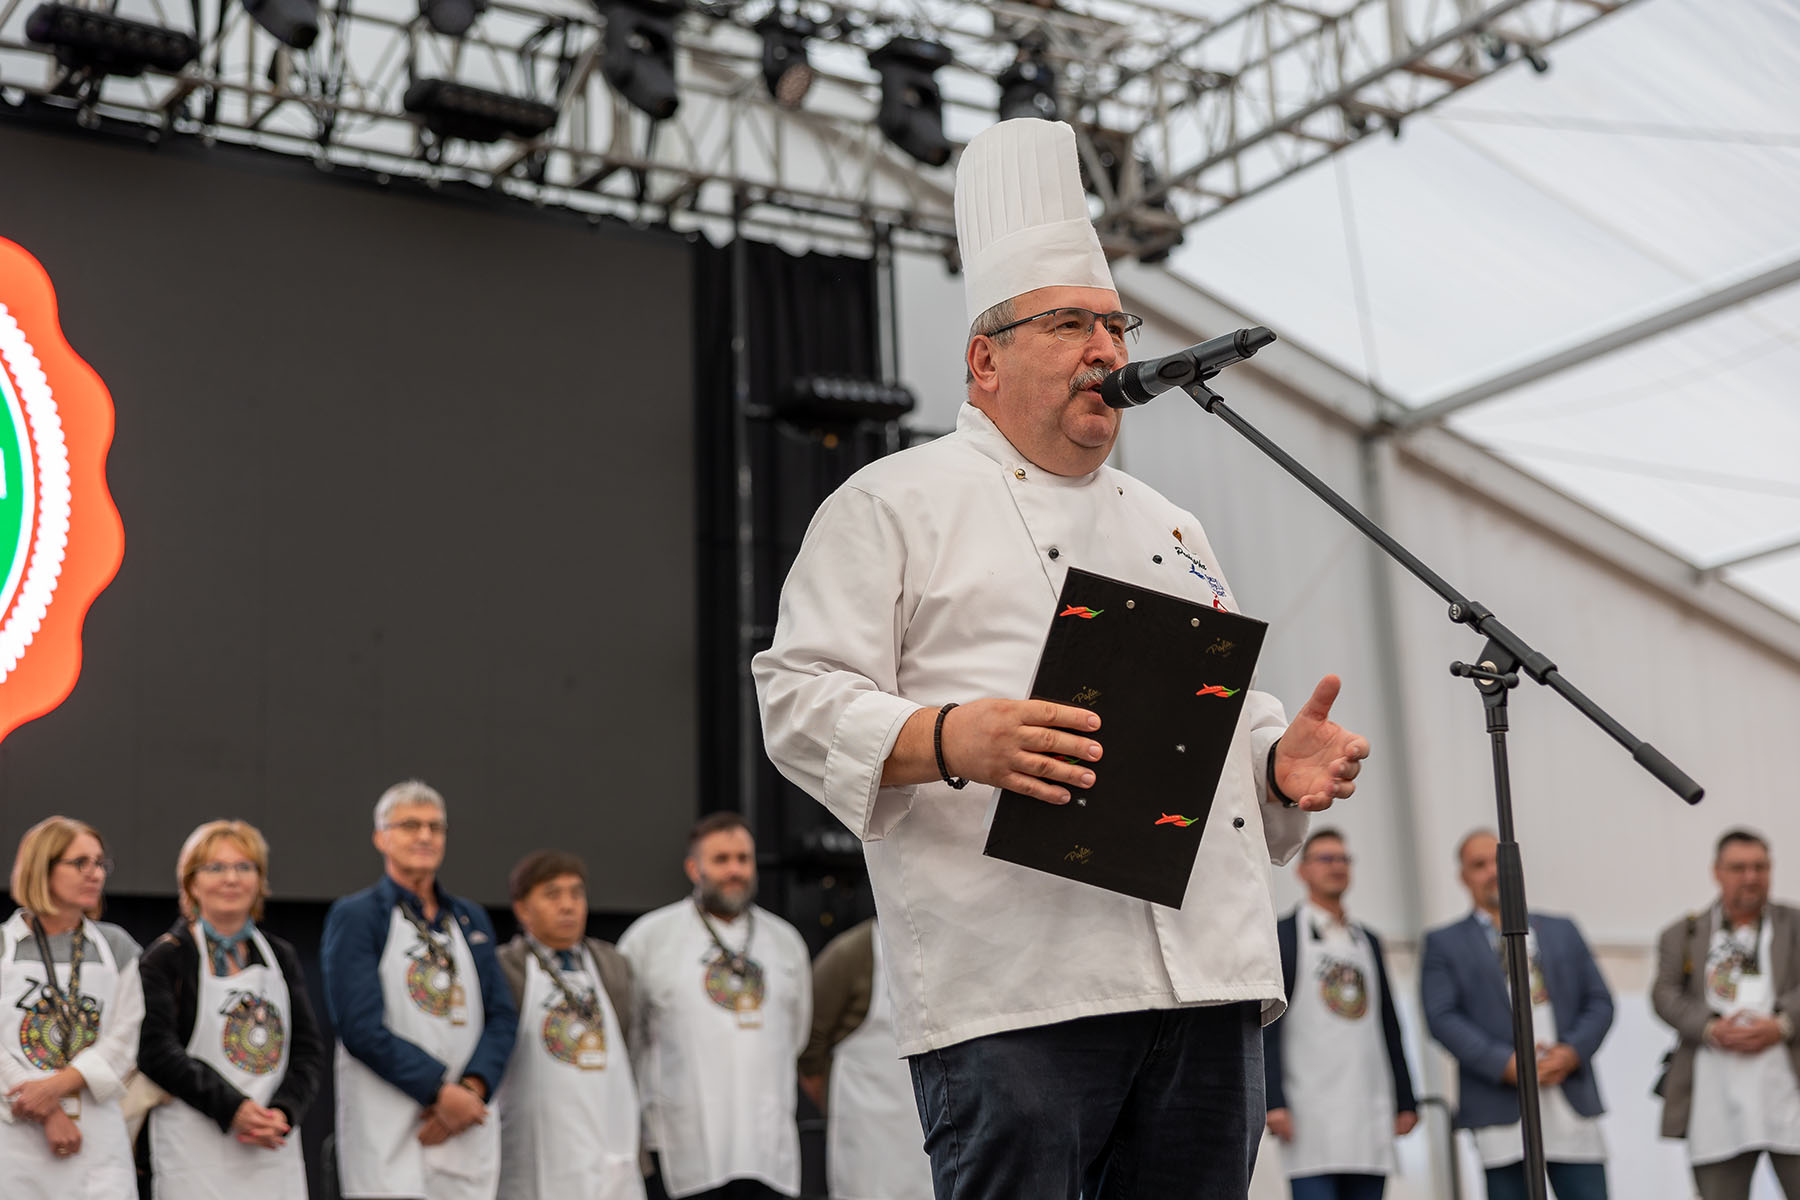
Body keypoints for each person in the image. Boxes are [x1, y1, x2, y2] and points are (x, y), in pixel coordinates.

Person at [752, 116, 1370, 1200]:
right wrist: (950, 737)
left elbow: (1199, 725)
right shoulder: (892, 502)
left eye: (1116, 324)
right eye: (1071, 323)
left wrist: (1275, 767)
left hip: (1204, 983)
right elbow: (796, 698)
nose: (1108, 351)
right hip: (1017, 992)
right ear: (984, 358)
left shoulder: (1170, 524)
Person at [321, 779, 518, 1200]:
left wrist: (471, 1090)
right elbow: (359, 1027)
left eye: (435, 827)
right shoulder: (357, 916)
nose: (425, 836)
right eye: (410, 825)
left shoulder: (471, 918)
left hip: (465, 1126)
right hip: (390, 1129)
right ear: (381, 837)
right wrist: (439, 1092)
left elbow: (501, 1014)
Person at [617, 812, 811, 1200]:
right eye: (721, 860)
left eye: (743, 859)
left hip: (766, 1143)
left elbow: (797, 1035)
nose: (735, 870)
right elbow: (628, 1038)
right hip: (682, 1142)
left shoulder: (785, 941)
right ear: (694, 868)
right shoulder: (650, 938)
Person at [1421, 830, 1614, 1200]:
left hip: (1569, 1100)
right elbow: (1442, 1018)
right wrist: (1506, 1064)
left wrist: (1570, 1053)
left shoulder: (1561, 930)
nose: (1492, 872)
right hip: (1500, 1107)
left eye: (1497, 861)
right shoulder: (1445, 943)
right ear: (1463, 877)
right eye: (1479, 865)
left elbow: (1599, 1002)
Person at [138, 819, 326, 1199]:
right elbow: (156, 1051)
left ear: (259, 880)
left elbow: (307, 1051)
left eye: (244, 867)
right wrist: (234, 1109)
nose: (231, 878)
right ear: (191, 883)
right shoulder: (166, 957)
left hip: (271, 1147)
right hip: (195, 1151)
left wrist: (283, 1112)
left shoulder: (281, 956)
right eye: (216, 868)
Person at [1263, 829, 1417, 1199]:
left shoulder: (1369, 941)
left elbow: (1389, 1025)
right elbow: (1267, 1024)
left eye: (1343, 859)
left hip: (1368, 1109)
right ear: (1302, 870)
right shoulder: (1282, 937)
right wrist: (1273, 1100)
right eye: (1325, 859)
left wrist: (1405, 1099)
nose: (1336, 867)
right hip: (1308, 1112)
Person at [1651, 828, 1800, 1199]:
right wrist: (1710, 1028)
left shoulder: (1795, 925)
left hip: (1787, 1088)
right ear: (1716, 871)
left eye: (1759, 867)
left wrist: (1783, 1025)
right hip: (1714, 1096)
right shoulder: (1683, 934)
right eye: (1739, 867)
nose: (1751, 877)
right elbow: (1664, 993)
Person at [0, 816, 144, 1197]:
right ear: (42, 868)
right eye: (80, 863)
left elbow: (126, 1039)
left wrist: (57, 1086)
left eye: (99, 863)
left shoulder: (117, 947)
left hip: (98, 1135)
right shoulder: (3, 945)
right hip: (13, 1132)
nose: (95, 873)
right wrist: (45, 1107)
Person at [495, 849, 643, 1200]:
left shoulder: (613, 965)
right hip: (536, 1147)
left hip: (608, 1144)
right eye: (553, 895)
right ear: (522, 908)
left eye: (576, 894)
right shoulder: (503, 967)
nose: (568, 906)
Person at [799, 917, 933, 1200]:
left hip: (930, 1129)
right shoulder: (852, 953)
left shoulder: (944, 946)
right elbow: (808, 1042)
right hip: (868, 1132)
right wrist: (829, 1101)